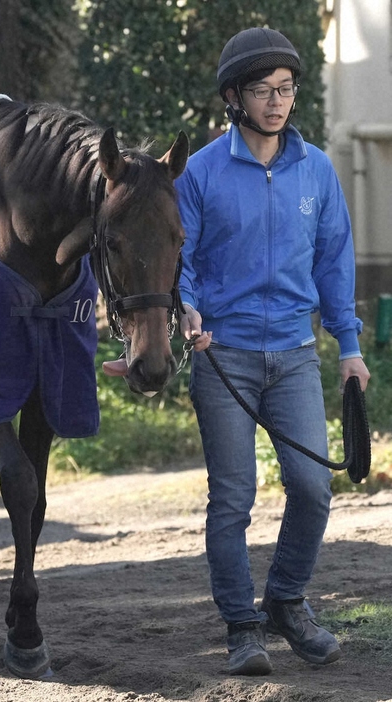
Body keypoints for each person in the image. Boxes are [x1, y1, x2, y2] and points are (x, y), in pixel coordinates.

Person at [175, 28, 370, 675]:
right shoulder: (200, 171)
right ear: (234, 97)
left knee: (313, 486)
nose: (275, 101)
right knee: (232, 497)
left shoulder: (314, 168)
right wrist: (187, 307)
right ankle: (240, 628)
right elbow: (183, 261)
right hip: (221, 353)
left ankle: (286, 600)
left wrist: (347, 346)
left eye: (284, 89)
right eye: (262, 90)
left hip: (292, 351)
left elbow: (333, 260)